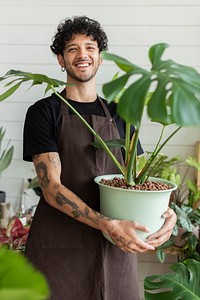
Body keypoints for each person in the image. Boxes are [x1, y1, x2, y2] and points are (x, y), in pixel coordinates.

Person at [23, 16, 177, 300]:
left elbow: (140, 183)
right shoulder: (43, 112)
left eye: (90, 47)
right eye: (72, 49)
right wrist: (107, 224)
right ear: (60, 59)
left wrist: (166, 214)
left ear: (100, 57)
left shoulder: (121, 113)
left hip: (116, 247)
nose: (82, 55)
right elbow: (51, 188)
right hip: (60, 245)